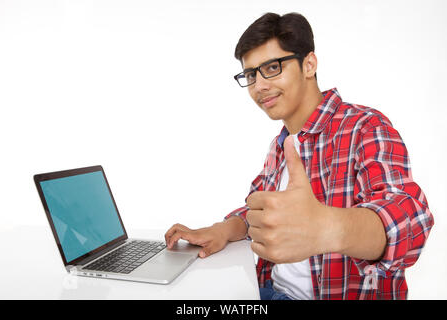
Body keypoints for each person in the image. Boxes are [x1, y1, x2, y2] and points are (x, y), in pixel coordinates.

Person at [164, 12, 434, 300]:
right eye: (251, 74)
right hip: (268, 291)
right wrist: (223, 230)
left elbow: (411, 219)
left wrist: (328, 228)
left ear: (309, 65)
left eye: (272, 67)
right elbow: (265, 211)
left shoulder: (364, 126)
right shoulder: (280, 144)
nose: (259, 86)